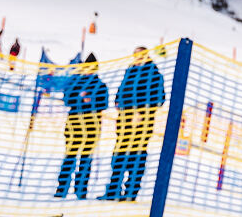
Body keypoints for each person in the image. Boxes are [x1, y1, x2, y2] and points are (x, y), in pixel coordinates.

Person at [101, 46, 166, 201]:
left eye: (140, 56)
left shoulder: (154, 74)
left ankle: (131, 191)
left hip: (141, 124)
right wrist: (118, 102)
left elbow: (159, 99)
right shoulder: (130, 71)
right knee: (119, 155)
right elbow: (122, 91)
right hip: (124, 122)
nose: (138, 59)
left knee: (136, 156)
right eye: (136, 56)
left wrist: (141, 113)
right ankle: (113, 191)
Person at [55, 53, 109, 200]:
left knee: (86, 159)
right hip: (74, 126)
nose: (89, 70)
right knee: (69, 157)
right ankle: (62, 188)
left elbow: (104, 104)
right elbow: (67, 99)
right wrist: (79, 98)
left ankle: (81, 190)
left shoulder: (101, 85)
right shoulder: (75, 82)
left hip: (92, 126)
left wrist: (90, 100)